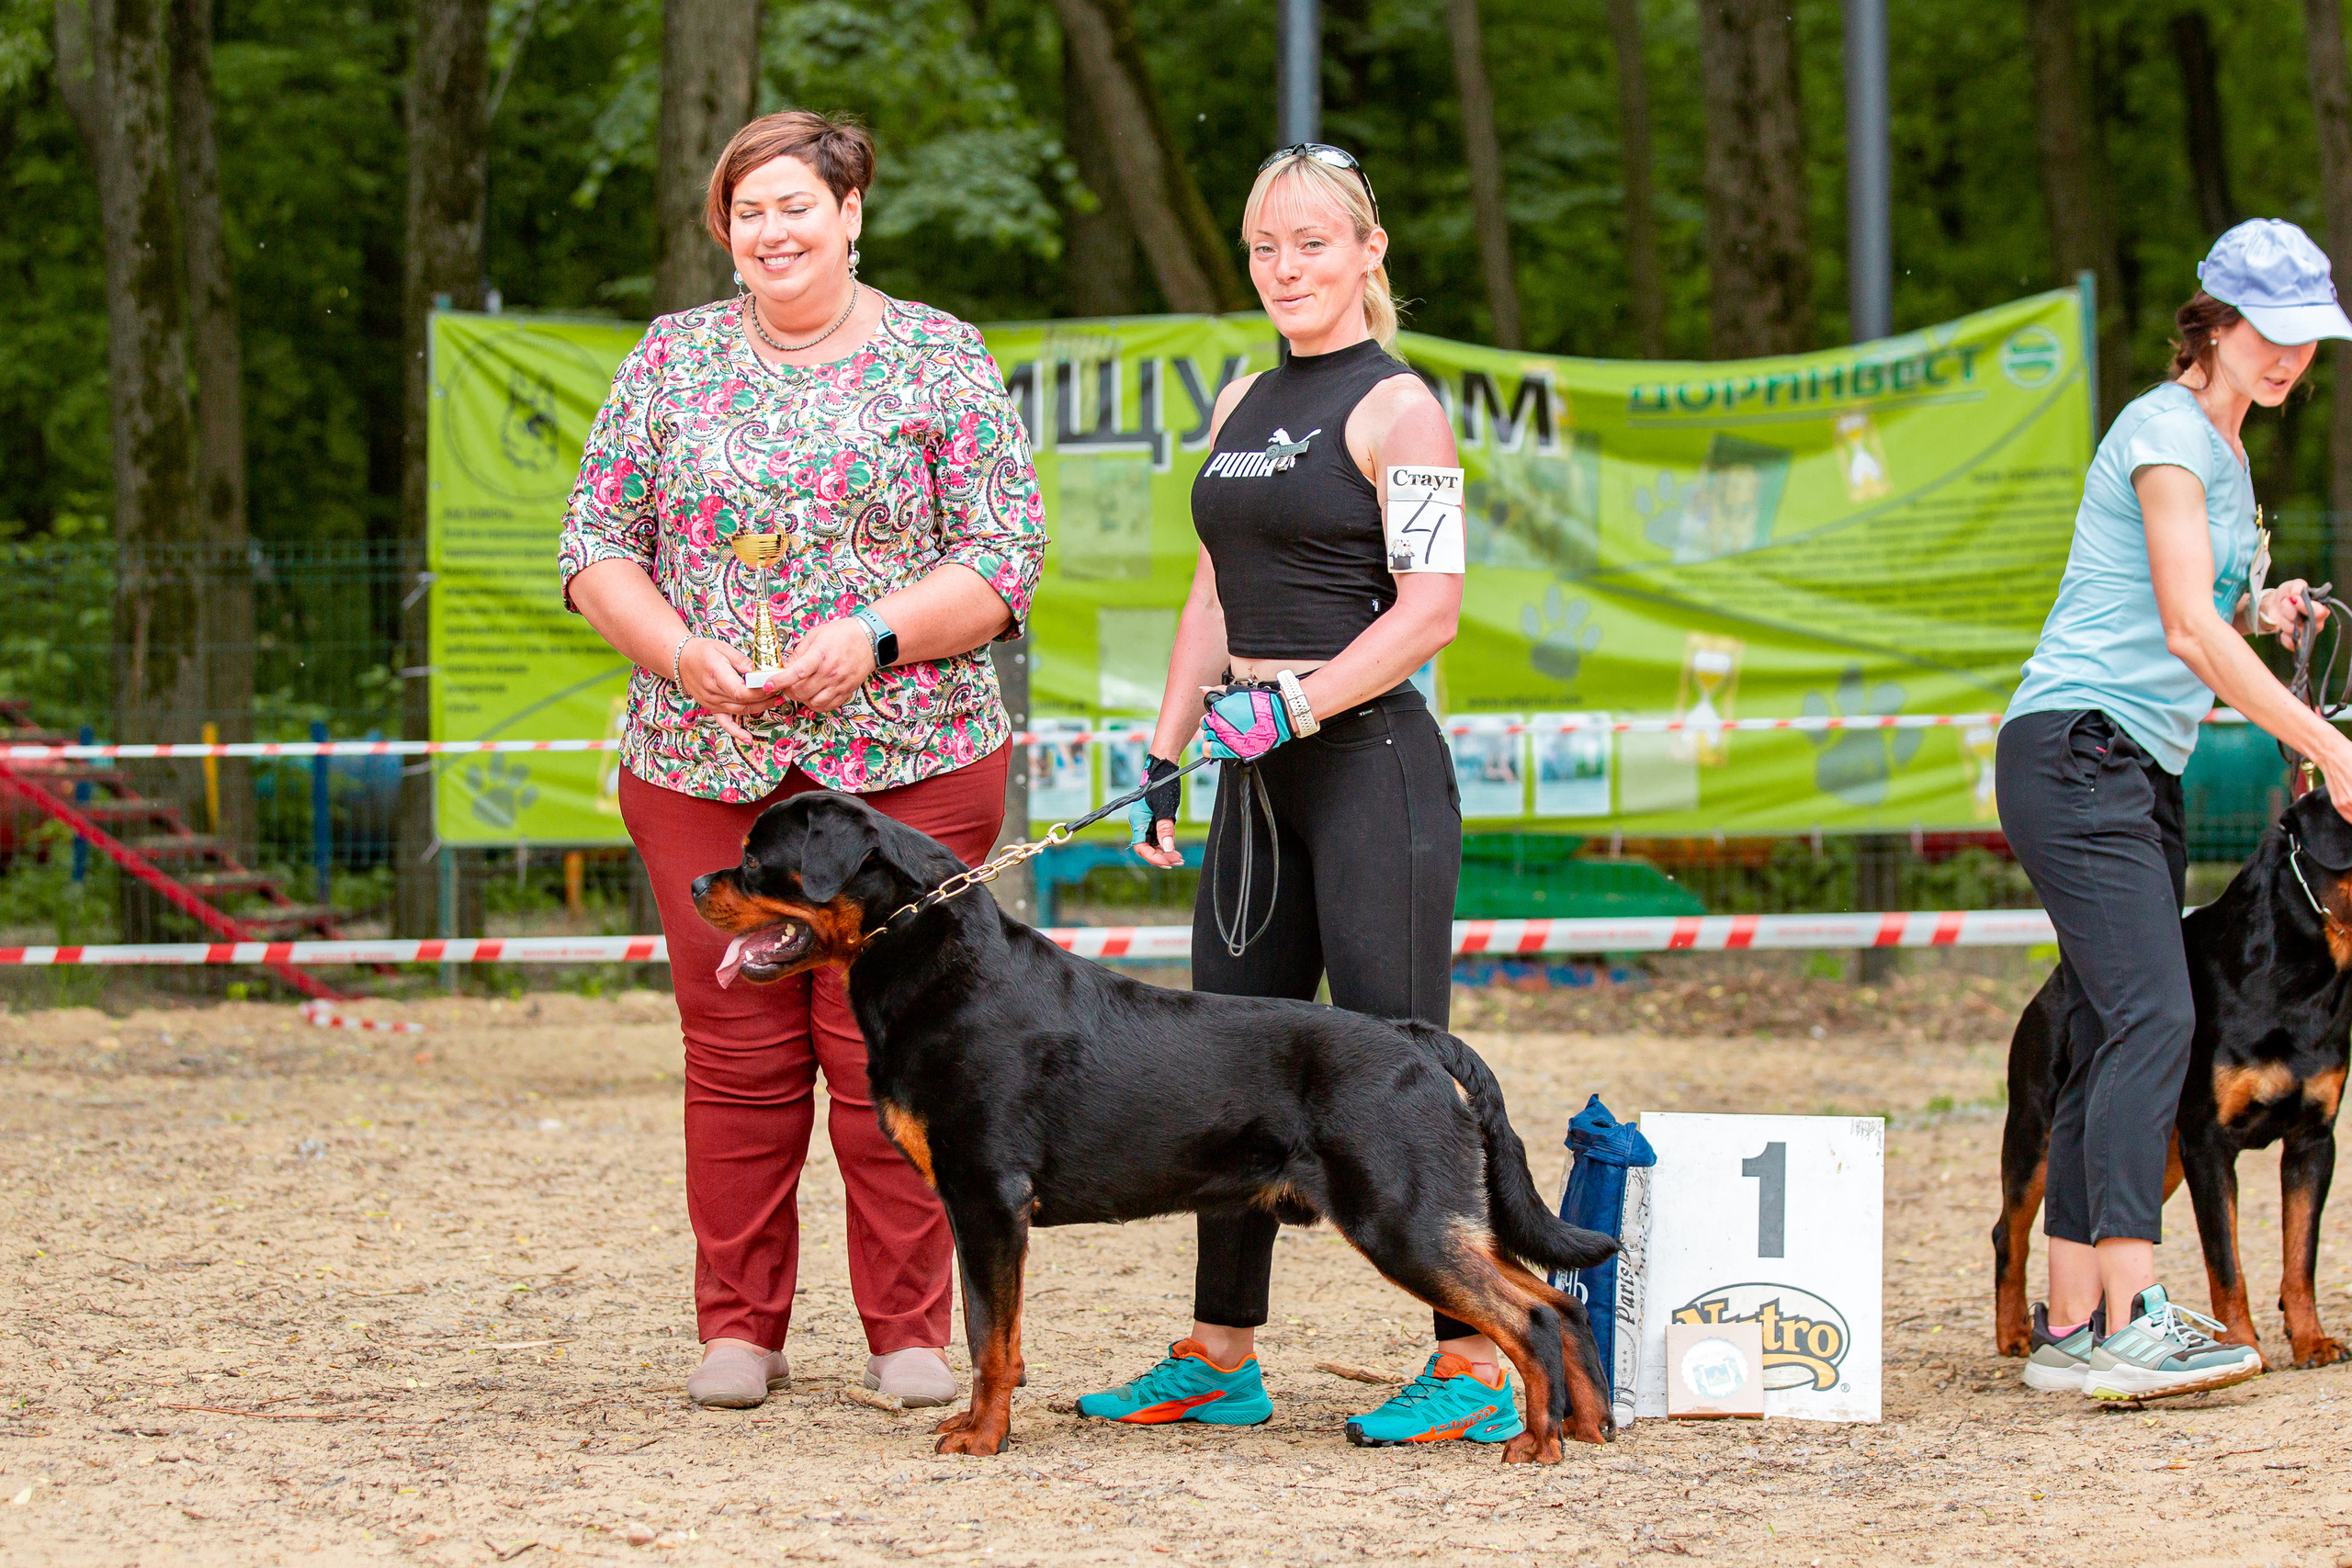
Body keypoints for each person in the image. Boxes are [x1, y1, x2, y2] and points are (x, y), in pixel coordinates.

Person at [559, 109, 1044, 1411]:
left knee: (891, 1048)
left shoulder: (940, 355)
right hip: (700, 765)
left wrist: (871, 639)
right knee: (734, 1051)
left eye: (796, 205)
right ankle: (739, 1328)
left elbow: (1001, 561)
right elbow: (595, 543)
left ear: (851, 214)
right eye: (746, 211)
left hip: (911, 759)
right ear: (724, 231)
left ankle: (909, 1332)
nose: (772, 231)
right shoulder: (668, 360)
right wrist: (676, 655)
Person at [1074, 145, 1505, 1448]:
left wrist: (1303, 703)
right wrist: (1163, 747)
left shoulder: (1401, 408)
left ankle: (1476, 1357)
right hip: (1250, 776)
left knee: (1397, 1066)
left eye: (1314, 242)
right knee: (1219, 1067)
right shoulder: (1245, 398)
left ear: (1370, 254)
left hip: (1370, 766)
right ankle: (1219, 1355)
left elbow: (1432, 610)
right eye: (1267, 246)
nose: (1287, 267)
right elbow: (1213, 589)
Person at [2000, 218, 2352, 1401]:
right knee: (2158, 1017)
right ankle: (2138, 1311)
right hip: (2077, 750)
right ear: (2215, 321)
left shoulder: (2225, 455)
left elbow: (2217, 606)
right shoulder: (2163, 433)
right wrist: (2321, 742)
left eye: (2313, 338)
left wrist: (2273, 608)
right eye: (2276, 332)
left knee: (2112, 1026)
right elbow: (2183, 627)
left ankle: (2070, 1330)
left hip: (2130, 764)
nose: (2295, 356)